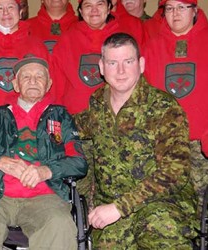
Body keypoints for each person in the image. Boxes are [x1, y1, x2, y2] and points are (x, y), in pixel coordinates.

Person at [74, 32, 197, 249]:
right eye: (113, 62)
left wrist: (120, 207)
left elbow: (175, 172)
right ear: (102, 67)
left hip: (160, 206)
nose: (120, 71)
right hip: (111, 212)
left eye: (128, 61)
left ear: (140, 64)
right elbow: (68, 126)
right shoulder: (97, 104)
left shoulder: (163, 107)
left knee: (160, 226)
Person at [0, 54, 88, 249]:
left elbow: (79, 162)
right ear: (16, 85)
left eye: (39, 76)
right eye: (26, 77)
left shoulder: (61, 117)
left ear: (49, 83)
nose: (33, 81)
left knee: (60, 225)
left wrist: (46, 170)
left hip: (44, 196)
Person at [144, 0, 208, 217]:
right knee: (173, 210)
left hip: (203, 144)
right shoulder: (152, 45)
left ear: (195, 12)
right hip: (167, 145)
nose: (175, 13)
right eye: (169, 8)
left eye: (182, 7)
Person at [52, 0, 145, 114]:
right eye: (88, 5)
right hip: (76, 119)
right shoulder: (67, 40)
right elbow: (57, 86)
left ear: (109, 8)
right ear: (80, 11)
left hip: (120, 118)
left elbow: (140, 78)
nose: (94, 10)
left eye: (99, 4)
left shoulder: (126, 39)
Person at [0, 0, 50, 108]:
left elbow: (48, 90)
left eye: (11, 7)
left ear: (20, 11)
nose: (5, 12)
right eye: (0, 8)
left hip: (29, 120)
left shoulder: (37, 47)